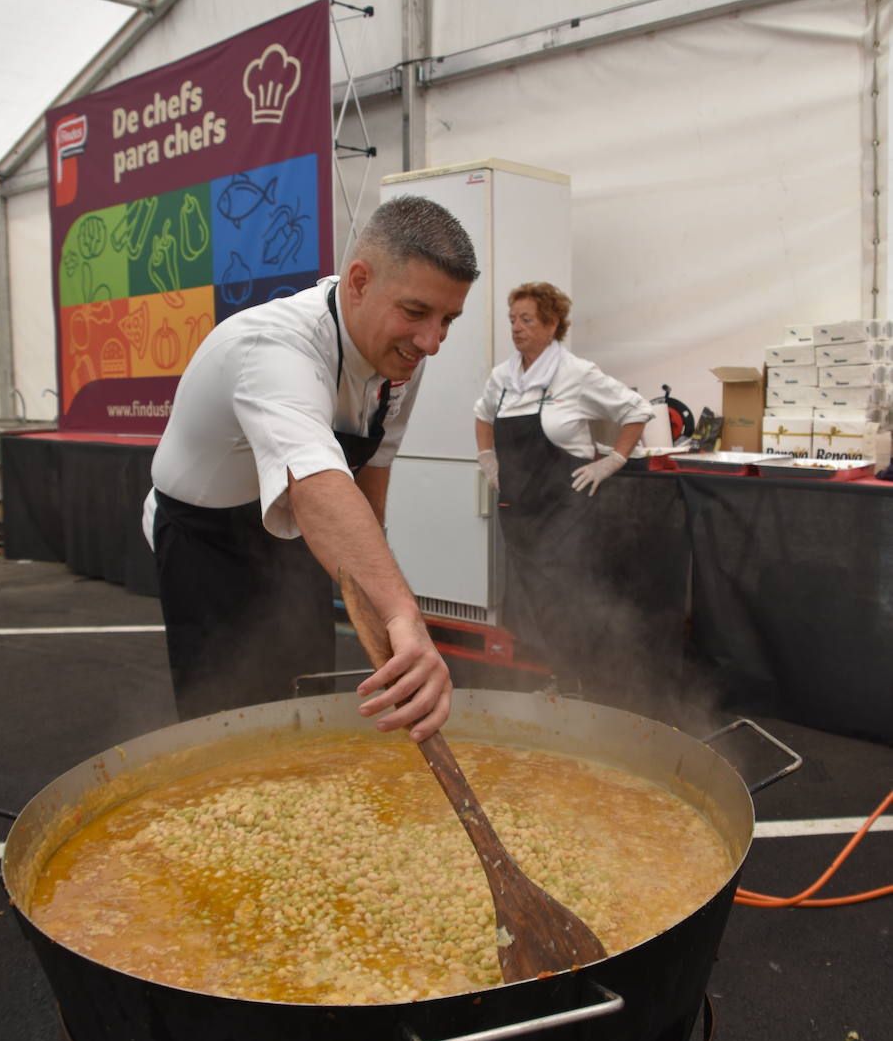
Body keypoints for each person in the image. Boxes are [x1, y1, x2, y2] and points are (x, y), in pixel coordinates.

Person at [143, 194, 479, 737]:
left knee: (308, 692)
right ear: (360, 281)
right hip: (207, 544)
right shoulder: (274, 345)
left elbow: (372, 471)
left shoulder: (402, 355)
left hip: (296, 534)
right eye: (416, 312)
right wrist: (403, 614)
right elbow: (315, 478)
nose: (431, 341)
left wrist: (378, 599)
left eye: (448, 320)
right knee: (227, 716)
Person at [473, 281, 653, 695]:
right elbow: (482, 416)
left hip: (564, 511)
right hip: (519, 511)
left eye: (526, 320)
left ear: (552, 324)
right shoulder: (502, 377)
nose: (516, 328)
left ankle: (592, 685)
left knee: (568, 598)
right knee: (534, 603)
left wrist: (614, 460)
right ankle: (562, 679)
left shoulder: (576, 374)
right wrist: (489, 459)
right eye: (512, 319)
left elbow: (636, 409)